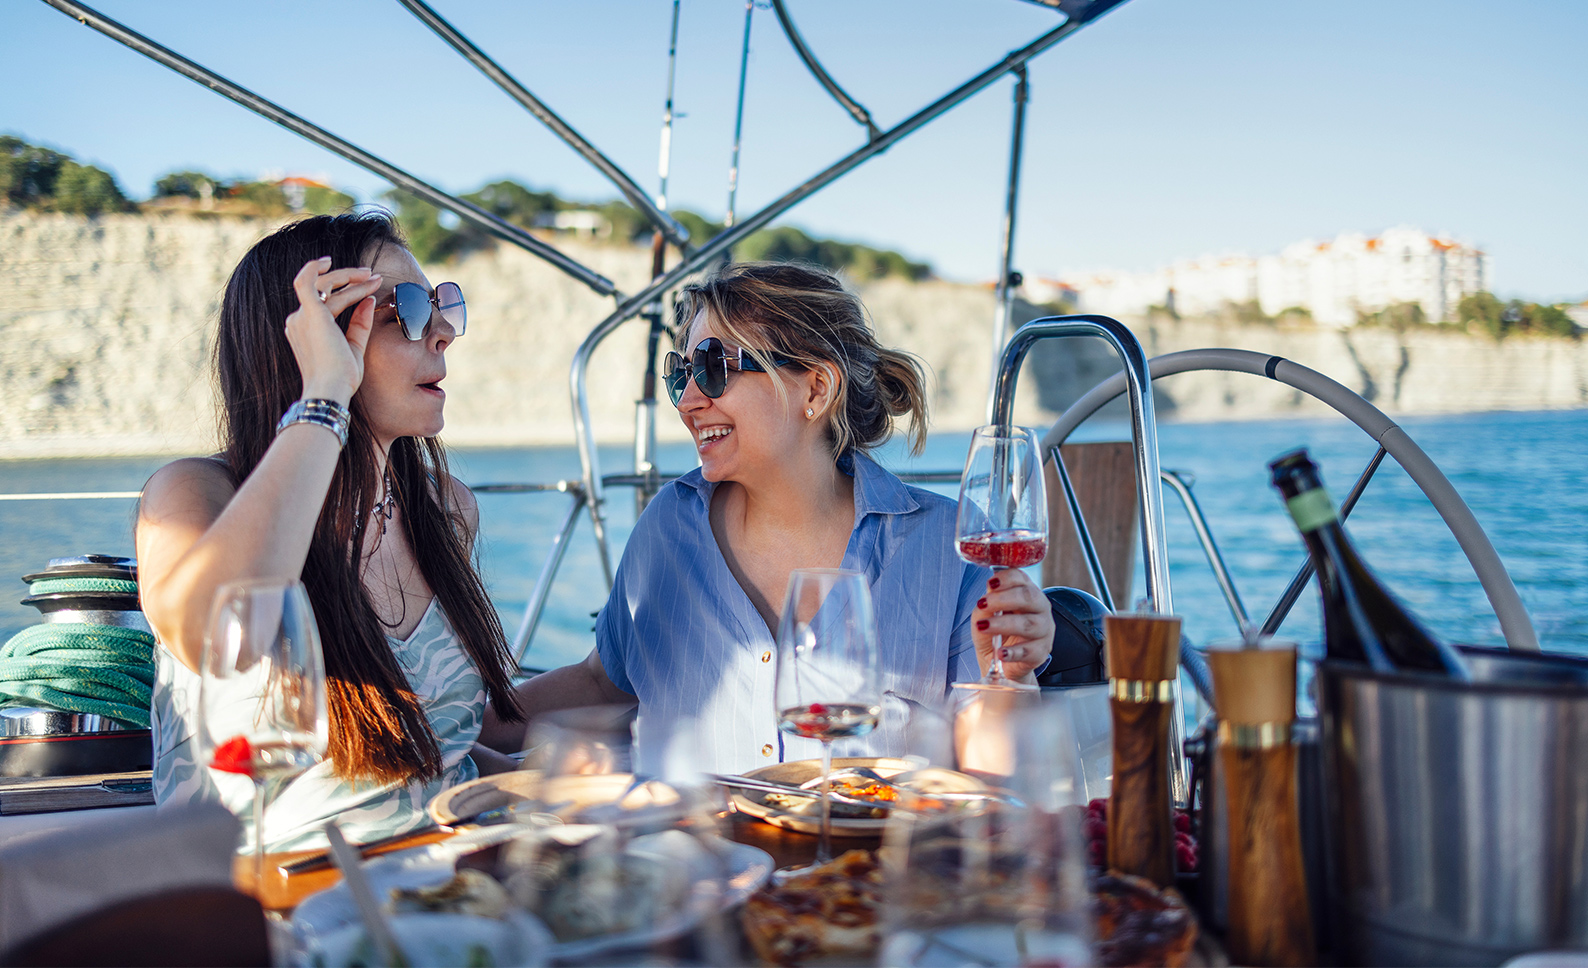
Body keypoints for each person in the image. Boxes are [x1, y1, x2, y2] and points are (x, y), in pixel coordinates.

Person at [522, 262, 1055, 774]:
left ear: (817, 389)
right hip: (703, 861)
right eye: (680, 374)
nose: (686, 402)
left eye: (712, 368)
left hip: (865, 865)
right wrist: (451, 726)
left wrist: (1010, 680)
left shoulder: (946, 546)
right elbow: (603, 683)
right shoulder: (668, 526)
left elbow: (994, 770)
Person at [135, 212, 528, 851]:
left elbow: (431, 745)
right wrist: (326, 393)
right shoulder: (195, 495)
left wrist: (542, 783)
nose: (443, 334)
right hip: (282, 902)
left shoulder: (447, 510)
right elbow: (222, 630)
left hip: (450, 887)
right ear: (305, 338)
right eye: (404, 309)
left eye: (441, 306)